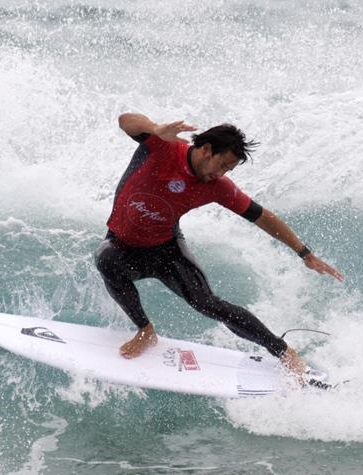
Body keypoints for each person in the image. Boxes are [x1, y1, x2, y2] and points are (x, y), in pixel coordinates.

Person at [94, 113, 344, 383]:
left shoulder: (216, 187)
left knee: (207, 302)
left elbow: (261, 216)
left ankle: (285, 354)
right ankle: (145, 330)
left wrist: (304, 253)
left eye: (228, 170)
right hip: (123, 244)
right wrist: (155, 129)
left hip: (166, 250)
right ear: (205, 150)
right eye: (221, 165)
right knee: (106, 259)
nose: (221, 174)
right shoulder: (163, 147)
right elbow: (125, 121)